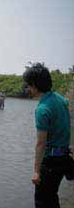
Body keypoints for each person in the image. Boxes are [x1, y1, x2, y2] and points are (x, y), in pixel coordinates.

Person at [23, 63, 74, 208]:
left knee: (43, 201)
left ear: (34, 85)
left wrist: (36, 172)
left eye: (28, 86)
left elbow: (41, 143)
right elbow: (64, 126)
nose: (27, 89)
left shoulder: (42, 109)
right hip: (64, 157)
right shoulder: (60, 99)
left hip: (51, 162)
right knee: (52, 197)